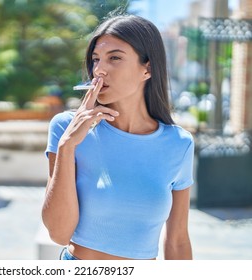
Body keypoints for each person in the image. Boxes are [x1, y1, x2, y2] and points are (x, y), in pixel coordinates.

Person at [42, 14, 194, 260]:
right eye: (95, 60)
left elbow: (177, 241)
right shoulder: (65, 129)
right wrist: (67, 146)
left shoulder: (179, 144)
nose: (99, 70)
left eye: (114, 58)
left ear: (148, 68)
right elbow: (59, 233)